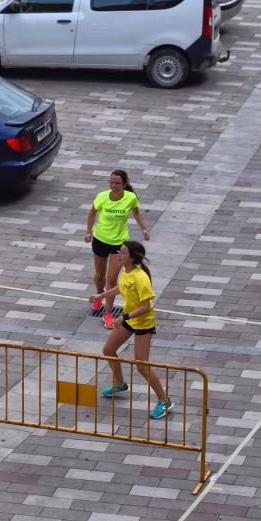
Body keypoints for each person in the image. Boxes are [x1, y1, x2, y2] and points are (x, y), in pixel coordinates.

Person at [90, 240, 173, 420]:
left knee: (142, 367)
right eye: (119, 252)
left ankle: (165, 401)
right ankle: (120, 384)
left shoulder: (141, 277)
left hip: (142, 323)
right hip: (129, 320)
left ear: (133, 258)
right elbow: (122, 288)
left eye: (123, 253)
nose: (118, 255)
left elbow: (146, 306)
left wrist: (124, 317)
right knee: (109, 350)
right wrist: (101, 295)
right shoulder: (126, 273)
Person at [84, 169, 150, 329]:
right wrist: (89, 231)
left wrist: (144, 228)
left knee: (112, 278)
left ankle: (107, 313)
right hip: (100, 239)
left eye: (117, 183)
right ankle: (99, 294)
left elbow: (136, 213)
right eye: (111, 182)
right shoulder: (101, 197)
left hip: (119, 243)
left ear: (124, 184)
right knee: (100, 276)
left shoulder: (130, 198)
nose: (113, 186)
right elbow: (92, 213)